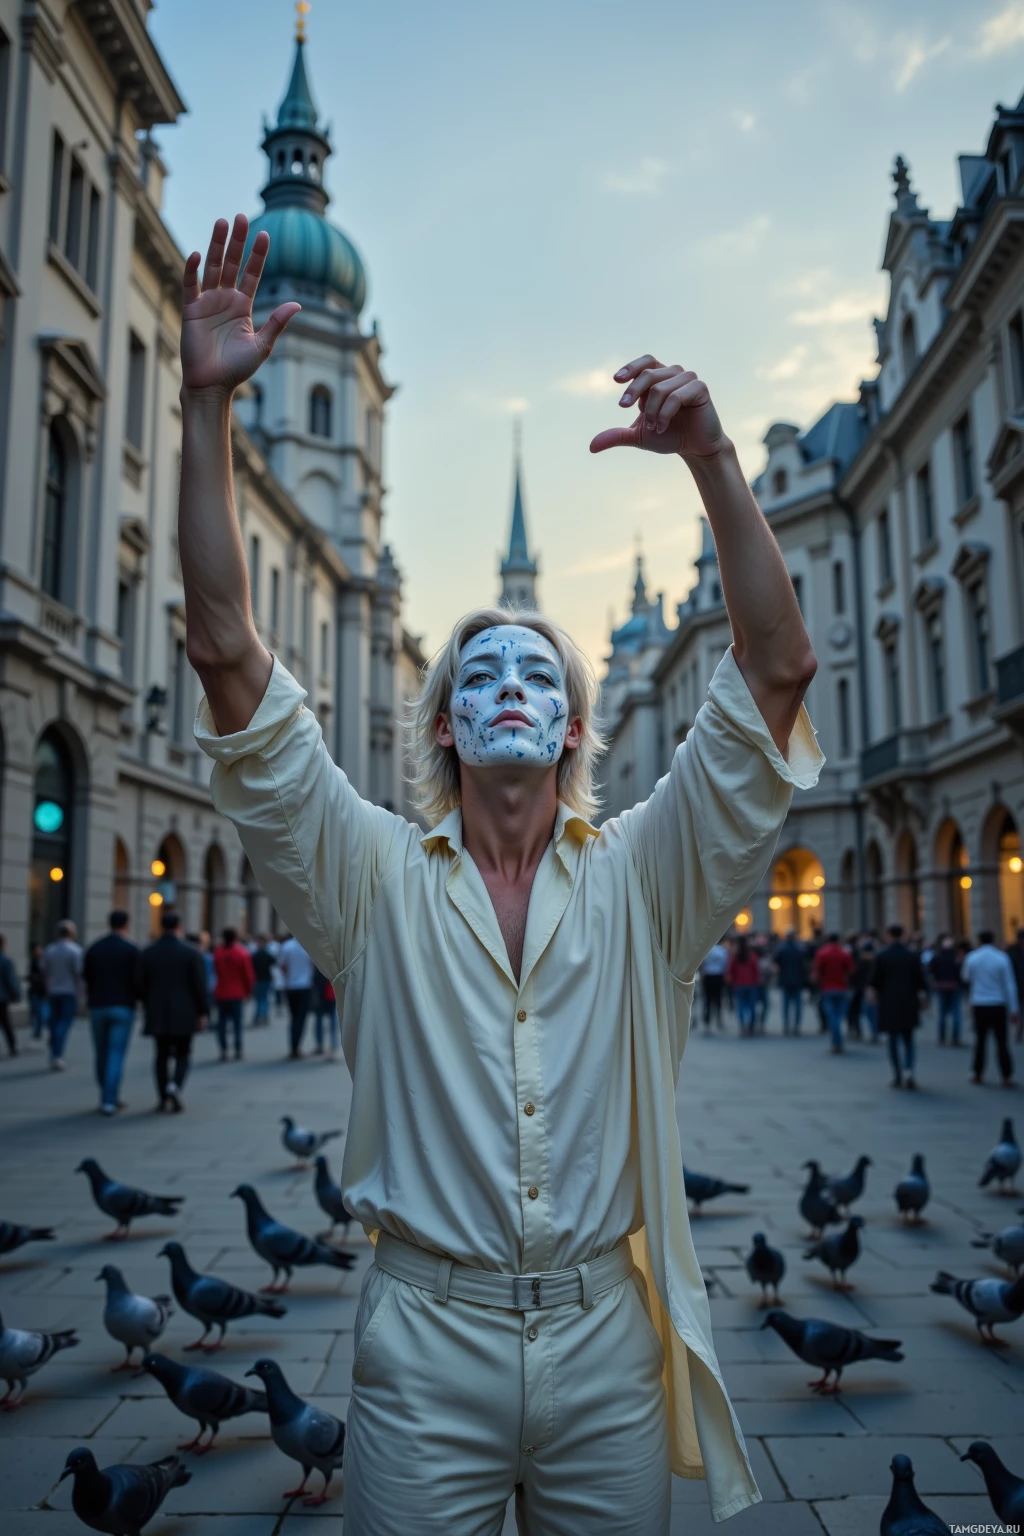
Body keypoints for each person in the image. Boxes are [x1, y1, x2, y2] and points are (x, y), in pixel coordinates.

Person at [178, 213, 820, 1533]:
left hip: (607, 1346)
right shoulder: (367, 874)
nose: (512, 686)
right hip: (423, 1350)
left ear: (577, 729)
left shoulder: (648, 874)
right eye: (482, 672)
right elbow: (232, 654)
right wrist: (202, 411)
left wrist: (708, 455)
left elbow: (776, 669)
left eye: (543, 672)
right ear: (445, 725)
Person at [140, 911, 209, 1111]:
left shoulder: (149, 952)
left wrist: (148, 1002)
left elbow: (140, 984)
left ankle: (163, 1096)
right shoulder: (191, 953)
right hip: (185, 1013)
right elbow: (199, 986)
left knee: (161, 1055)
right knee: (183, 1054)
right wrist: (203, 1012)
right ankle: (174, 1086)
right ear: (179, 926)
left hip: (158, 1011)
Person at [82, 910, 139, 1115]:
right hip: (123, 1006)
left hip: (98, 1005)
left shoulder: (95, 948)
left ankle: (106, 1094)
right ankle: (110, 1098)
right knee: (116, 1053)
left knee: (101, 1052)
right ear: (126, 924)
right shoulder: (132, 950)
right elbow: (138, 980)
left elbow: (86, 976)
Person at [869, 924, 927, 1089]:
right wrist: (922, 998)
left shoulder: (882, 955)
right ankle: (909, 1070)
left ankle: (897, 1073)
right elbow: (920, 980)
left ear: (888, 935)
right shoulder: (911, 955)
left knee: (893, 1039)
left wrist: (873, 995)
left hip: (889, 1002)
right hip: (909, 1001)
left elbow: (875, 981)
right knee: (909, 1038)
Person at [962, 928, 1020, 1087]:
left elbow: (966, 977)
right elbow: (1009, 984)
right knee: (1002, 1041)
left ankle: (977, 1073)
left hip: (980, 1003)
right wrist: (1014, 1009)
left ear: (979, 940)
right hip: (998, 1004)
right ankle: (1006, 1076)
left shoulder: (972, 958)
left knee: (980, 1041)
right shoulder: (1001, 958)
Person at [41, 919, 83, 1070]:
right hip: (68, 991)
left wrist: (47, 988)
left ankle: (54, 1048)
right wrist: (80, 992)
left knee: (55, 1021)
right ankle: (57, 1054)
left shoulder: (50, 950)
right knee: (63, 1024)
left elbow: (45, 971)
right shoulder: (75, 951)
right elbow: (79, 973)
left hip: (53, 991)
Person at [212, 926, 255, 1061]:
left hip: (222, 992)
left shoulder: (218, 953)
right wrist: (248, 992)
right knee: (237, 1024)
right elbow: (248, 975)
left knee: (222, 1024)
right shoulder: (241, 953)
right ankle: (238, 1049)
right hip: (237, 993)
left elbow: (216, 971)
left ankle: (224, 1049)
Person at [812, 932, 855, 1054]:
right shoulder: (844, 953)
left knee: (832, 1017)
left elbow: (817, 972)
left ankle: (836, 1042)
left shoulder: (822, 953)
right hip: (841, 987)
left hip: (827, 988)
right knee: (839, 1016)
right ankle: (838, 1042)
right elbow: (851, 970)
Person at [277, 932, 314, 1058]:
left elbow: (282, 966)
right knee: (301, 1018)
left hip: (290, 986)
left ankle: (293, 1046)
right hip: (305, 986)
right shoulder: (308, 946)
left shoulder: (286, 946)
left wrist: (288, 977)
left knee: (293, 1017)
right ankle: (296, 1046)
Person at [928, 934, 963, 1047]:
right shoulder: (956, 957)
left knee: (942, 1014)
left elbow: (931, 970)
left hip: (941, 986)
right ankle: (955, 1038)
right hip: (953, 986)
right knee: (956, 1013)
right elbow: (961, 973)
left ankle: (942, 1037)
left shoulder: (937, 956)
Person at [726, 936, 760, 1036]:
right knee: (752, 1006)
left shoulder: (735, 956)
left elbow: (730, 969)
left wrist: (731, 979)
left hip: (738, 983)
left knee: (740, 1005)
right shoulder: (752, 955)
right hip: (751, 983)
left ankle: (742, 1026)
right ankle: (751, 1026)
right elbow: (756, 969)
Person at [773, 929, 805, 1036]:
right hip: (797, 980)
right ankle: (796, 1026)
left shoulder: (782, 949)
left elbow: (776, 963)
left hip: (785, 980)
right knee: (797, 1005)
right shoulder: (798, 949)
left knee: (786, 1006)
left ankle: (786, 1025)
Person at [698, 939, 728, 1030]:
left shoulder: (707, 949)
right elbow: (725, 963)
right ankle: (718, 1018)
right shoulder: (722, 950)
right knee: (718, 998)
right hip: (718, 976)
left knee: (707, 999)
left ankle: (707, 1019)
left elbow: (702, 963)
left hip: (708, 976)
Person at [0, 934, 21, 1056]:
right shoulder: (5, 960)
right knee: (6, 1023)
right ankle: (12, 1047)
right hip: (2, 998)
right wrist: (16, 994)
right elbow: (11, 979)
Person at [311, 967, 339, 1058]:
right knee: (332, 1021)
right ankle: (332, 1046)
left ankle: (321, 1045)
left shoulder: (316, 963)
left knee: (320, 1020)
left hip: (323, 994)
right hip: (330, 993)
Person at [250, 933, 275, 1025]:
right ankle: (263, 1017)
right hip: (265, 978)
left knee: (259, 999)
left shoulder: (255, 955)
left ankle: (258, 1017)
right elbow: (274, 962)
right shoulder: (266, 954)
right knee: (263, 999)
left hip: (259, 979)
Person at [1007, 927, 1024, 1045]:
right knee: (1020, 1010)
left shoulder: (1011, 950)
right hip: (1018, 984)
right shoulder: (1012, 950)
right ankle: (1019, 1033)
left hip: (1018, 983)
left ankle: (1019, 1033)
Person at [27, 943, 48, 1040]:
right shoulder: (34, 961)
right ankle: (37, 1030)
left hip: (41, 991)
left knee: (40, 1013)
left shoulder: (44, 962)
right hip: (36, 990)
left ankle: (38, 1031)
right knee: (36, 1012)